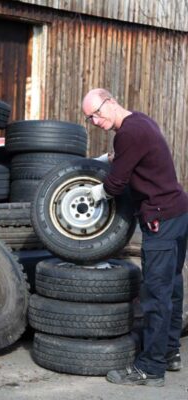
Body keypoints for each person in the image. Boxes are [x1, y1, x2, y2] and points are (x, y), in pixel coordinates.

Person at [82, 88, 188, 387]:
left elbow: (115, 184)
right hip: (178, 212)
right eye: (89, 118)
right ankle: (168, 352)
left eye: (97, 113)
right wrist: (112, 159)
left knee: (155, 294)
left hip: (161, 219)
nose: (95, 120)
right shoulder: (141, 122)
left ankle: (151, 369)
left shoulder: (127, 134)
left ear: (110, 101)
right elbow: (135, 160)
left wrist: (98, 191)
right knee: (171, 287)